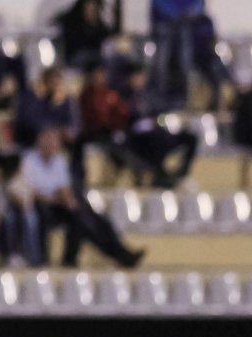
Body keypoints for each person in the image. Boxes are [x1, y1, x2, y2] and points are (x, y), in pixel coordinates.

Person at [20, 128, 143, 268]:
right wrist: (58, 200)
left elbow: (64, 187)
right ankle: (119, 255)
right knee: (78, 217)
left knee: (84, 217)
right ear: (40, 140)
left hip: (57, 204)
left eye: (55, 141)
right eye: (49, 140)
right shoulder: (29, 160)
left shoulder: (59, 160)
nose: (53, 144)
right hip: (39, 205)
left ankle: (74, 258)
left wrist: (70, 202)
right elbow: (31, 191)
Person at [120, 64, 199, 187]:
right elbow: (127, 122)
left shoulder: (149, 96)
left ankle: (180, 174)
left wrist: (159, 121)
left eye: (142, 76)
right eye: (137, 77)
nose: (140, 80)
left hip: (157, 132)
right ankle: (161, 177)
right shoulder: (123, 97)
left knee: (190, 137)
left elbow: (160, 114)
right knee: (155, 140)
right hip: (137, 138)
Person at [56, 0, 121, 69]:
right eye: (90, 7)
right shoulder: (72, 24)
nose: (93, 11)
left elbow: (108, 42)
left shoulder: (101, 28)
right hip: (75, 60)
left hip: (97, 60)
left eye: (96, 8)